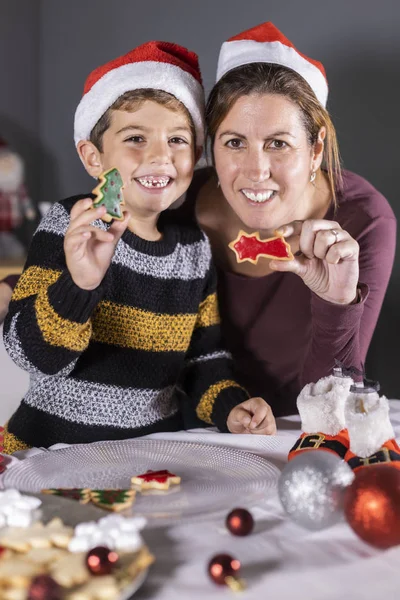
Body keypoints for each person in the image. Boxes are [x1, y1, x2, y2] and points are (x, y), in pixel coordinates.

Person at [2, 41, 276, 453]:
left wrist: (230, 408)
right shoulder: (70, 223)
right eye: (135, 138)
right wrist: (79, 283)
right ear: (94, 158)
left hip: (150, 457)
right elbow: (31, 355)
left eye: (178, 141)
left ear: (197, 156)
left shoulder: (193, 252)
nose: (160, 156)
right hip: (48, 450)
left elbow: (203, 361)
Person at [176, 22, 396, 418]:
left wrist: (336, 301)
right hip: (187, 432)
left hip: (295, 437)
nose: (255, 170)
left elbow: (332, 405)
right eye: (234, 142)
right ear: (211, 145)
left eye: (278, 143)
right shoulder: (176, 206)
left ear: (315, 151)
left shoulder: (362, 221)